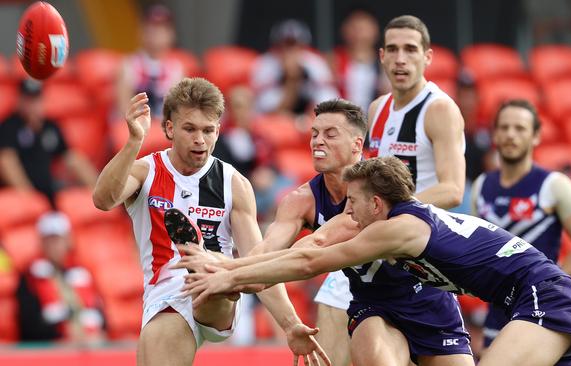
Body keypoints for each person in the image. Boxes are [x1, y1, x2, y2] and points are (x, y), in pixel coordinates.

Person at [179, 156, 571, 366]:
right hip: (529, 297)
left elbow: (309, 262)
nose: (347, 210)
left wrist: (224, 270)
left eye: (352, 202)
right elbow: (305, 252)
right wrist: (229, 269)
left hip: (541, 296)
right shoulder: (404, 220)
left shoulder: (398, 228)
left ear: (376, 203)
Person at [92, 77, 327, 366]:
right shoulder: (146, 172)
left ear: (218, 130)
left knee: (213, 276)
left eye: (208, 130)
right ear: (169, 128)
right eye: (190, 129)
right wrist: (133, 142)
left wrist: (290, 324)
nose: (200, 140)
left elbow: (259, 260)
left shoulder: (234, 183)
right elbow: (103, 200)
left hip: (220, 290)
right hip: (165, 295)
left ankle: (205, 262)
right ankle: (201, 261)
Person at [313, 14, 467, 365]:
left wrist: (391, 209)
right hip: (381, 245)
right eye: (393, 49)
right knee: (332, 300)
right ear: (380, 55)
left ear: (427, 57)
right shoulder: (377, 108)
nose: (401, 59)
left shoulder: (439, 109)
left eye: (411, 50)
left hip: (423, 249)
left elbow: (453, 189)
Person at [471, 99, 571, 350]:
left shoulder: (554, 185)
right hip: (497, 313)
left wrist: (548, 283)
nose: (511, 135)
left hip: (540, 310)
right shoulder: (481, 186)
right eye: (504, 128)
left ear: (536, 136)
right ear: (495, 134)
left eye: (520, 128)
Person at [0, 78, 98, 204]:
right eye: (28, 99)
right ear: (20, 100)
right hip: (22, 198)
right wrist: (30, 199)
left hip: (50, 193)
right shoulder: (10, 126)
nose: (32, 105)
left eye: (36, 99)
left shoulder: (50, 126)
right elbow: (7, 162)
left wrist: (98, 190)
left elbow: (72, 158)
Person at [16, 212, 105, 342]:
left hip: (89, 343)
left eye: (58, 239)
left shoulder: (83, 271)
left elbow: (100, 312)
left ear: (68, 240)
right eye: (49, 240)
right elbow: (29, 323)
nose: (54, 245)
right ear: (41, 242)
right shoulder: (29, 276)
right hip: (53, 346)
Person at [251, 19, 339, 115]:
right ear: (277, 45)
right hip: (275, 121)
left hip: (309, 119)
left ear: (303, 45)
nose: (290, 49)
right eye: (286, 44)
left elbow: (329, 99)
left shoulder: (314, 62)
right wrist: (292, 80)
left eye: (294, 44)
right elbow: (267, 110)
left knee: (326, 96)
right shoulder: (266, 63)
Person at [116, 3, 184, 119]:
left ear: (171, 34)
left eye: (163, 28)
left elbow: (180, 109)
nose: (157, 33)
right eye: (151, 27)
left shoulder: (176, 69)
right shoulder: (129, 65)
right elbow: (123, 107)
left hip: (164, 130)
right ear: (141, 31)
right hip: (136, 129)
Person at [329, 8, 389, 112]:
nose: (359, 33)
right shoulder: (332, 61)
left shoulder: (386, 63)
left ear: (375, 30)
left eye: (363, 28)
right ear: (344, 30)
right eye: (354, 27)